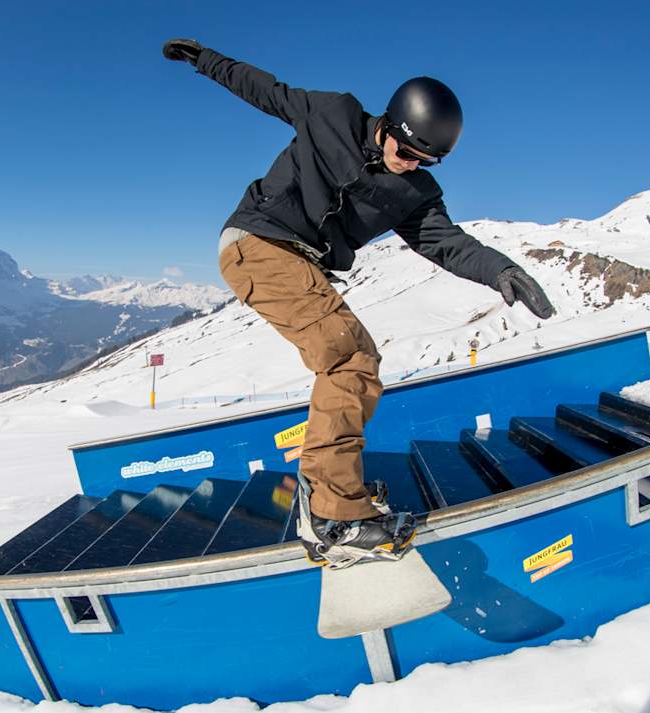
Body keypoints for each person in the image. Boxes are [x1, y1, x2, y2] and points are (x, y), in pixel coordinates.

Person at [164, 39, 555, 568]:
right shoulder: (333, 114)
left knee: (359, 362)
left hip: (298, 261)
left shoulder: (415, 192)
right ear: (390, 124)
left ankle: (330, 490)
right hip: (258, 241)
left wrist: (499, 269)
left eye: (426, 161)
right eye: (407, 151)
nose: (408, 166)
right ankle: (334, 515)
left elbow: (447, 242)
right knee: (348, 358)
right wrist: (206, 59)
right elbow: (265, 91)